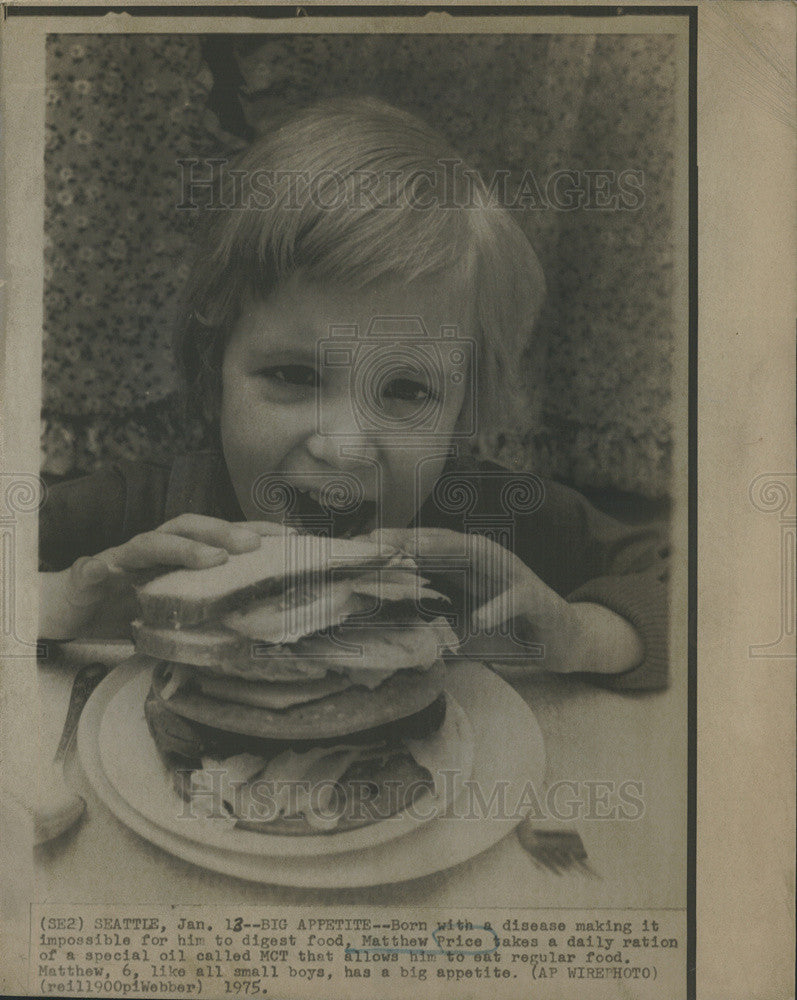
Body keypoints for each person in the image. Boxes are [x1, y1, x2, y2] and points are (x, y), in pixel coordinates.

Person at [38, 97, 668, 690]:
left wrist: (583, 635)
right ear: (212, 378)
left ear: (462, 415)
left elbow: (718, 595)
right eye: (293, 376)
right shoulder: (141, 513)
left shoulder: (488, 517)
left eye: (405, 390)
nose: (345, 446)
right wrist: (59, 598)